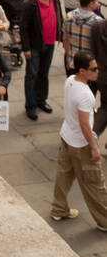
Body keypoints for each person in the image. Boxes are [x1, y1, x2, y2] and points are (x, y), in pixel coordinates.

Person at [49, 51, 107, 230]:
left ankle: (58, 210)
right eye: (94, 69)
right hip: (81, 144)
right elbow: (84, 125)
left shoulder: (70, 81)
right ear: (83, 71)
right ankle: (105, 220)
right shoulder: (86, 95)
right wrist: (94, 147)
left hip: (67, 137)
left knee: (64, 175)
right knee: (94, 184)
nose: (98, 71)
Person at [20, 0, 63, 120]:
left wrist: (61, 36)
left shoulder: (55, 1)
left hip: (50, 43)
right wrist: (25, 48)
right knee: (32, 74)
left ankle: (41, 99)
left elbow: (59, 18)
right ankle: (30, 105)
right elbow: (24, 27)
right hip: (34, 45)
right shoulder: (30, 4)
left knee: (44, 73)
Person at [63, 0, 102, 73]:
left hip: (73, 62)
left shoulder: (69, 16)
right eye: (96, 1)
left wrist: (67, 57)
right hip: (89, 67)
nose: (98, 3)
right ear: (91, 4)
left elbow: (65, 39)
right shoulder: (97, 21)